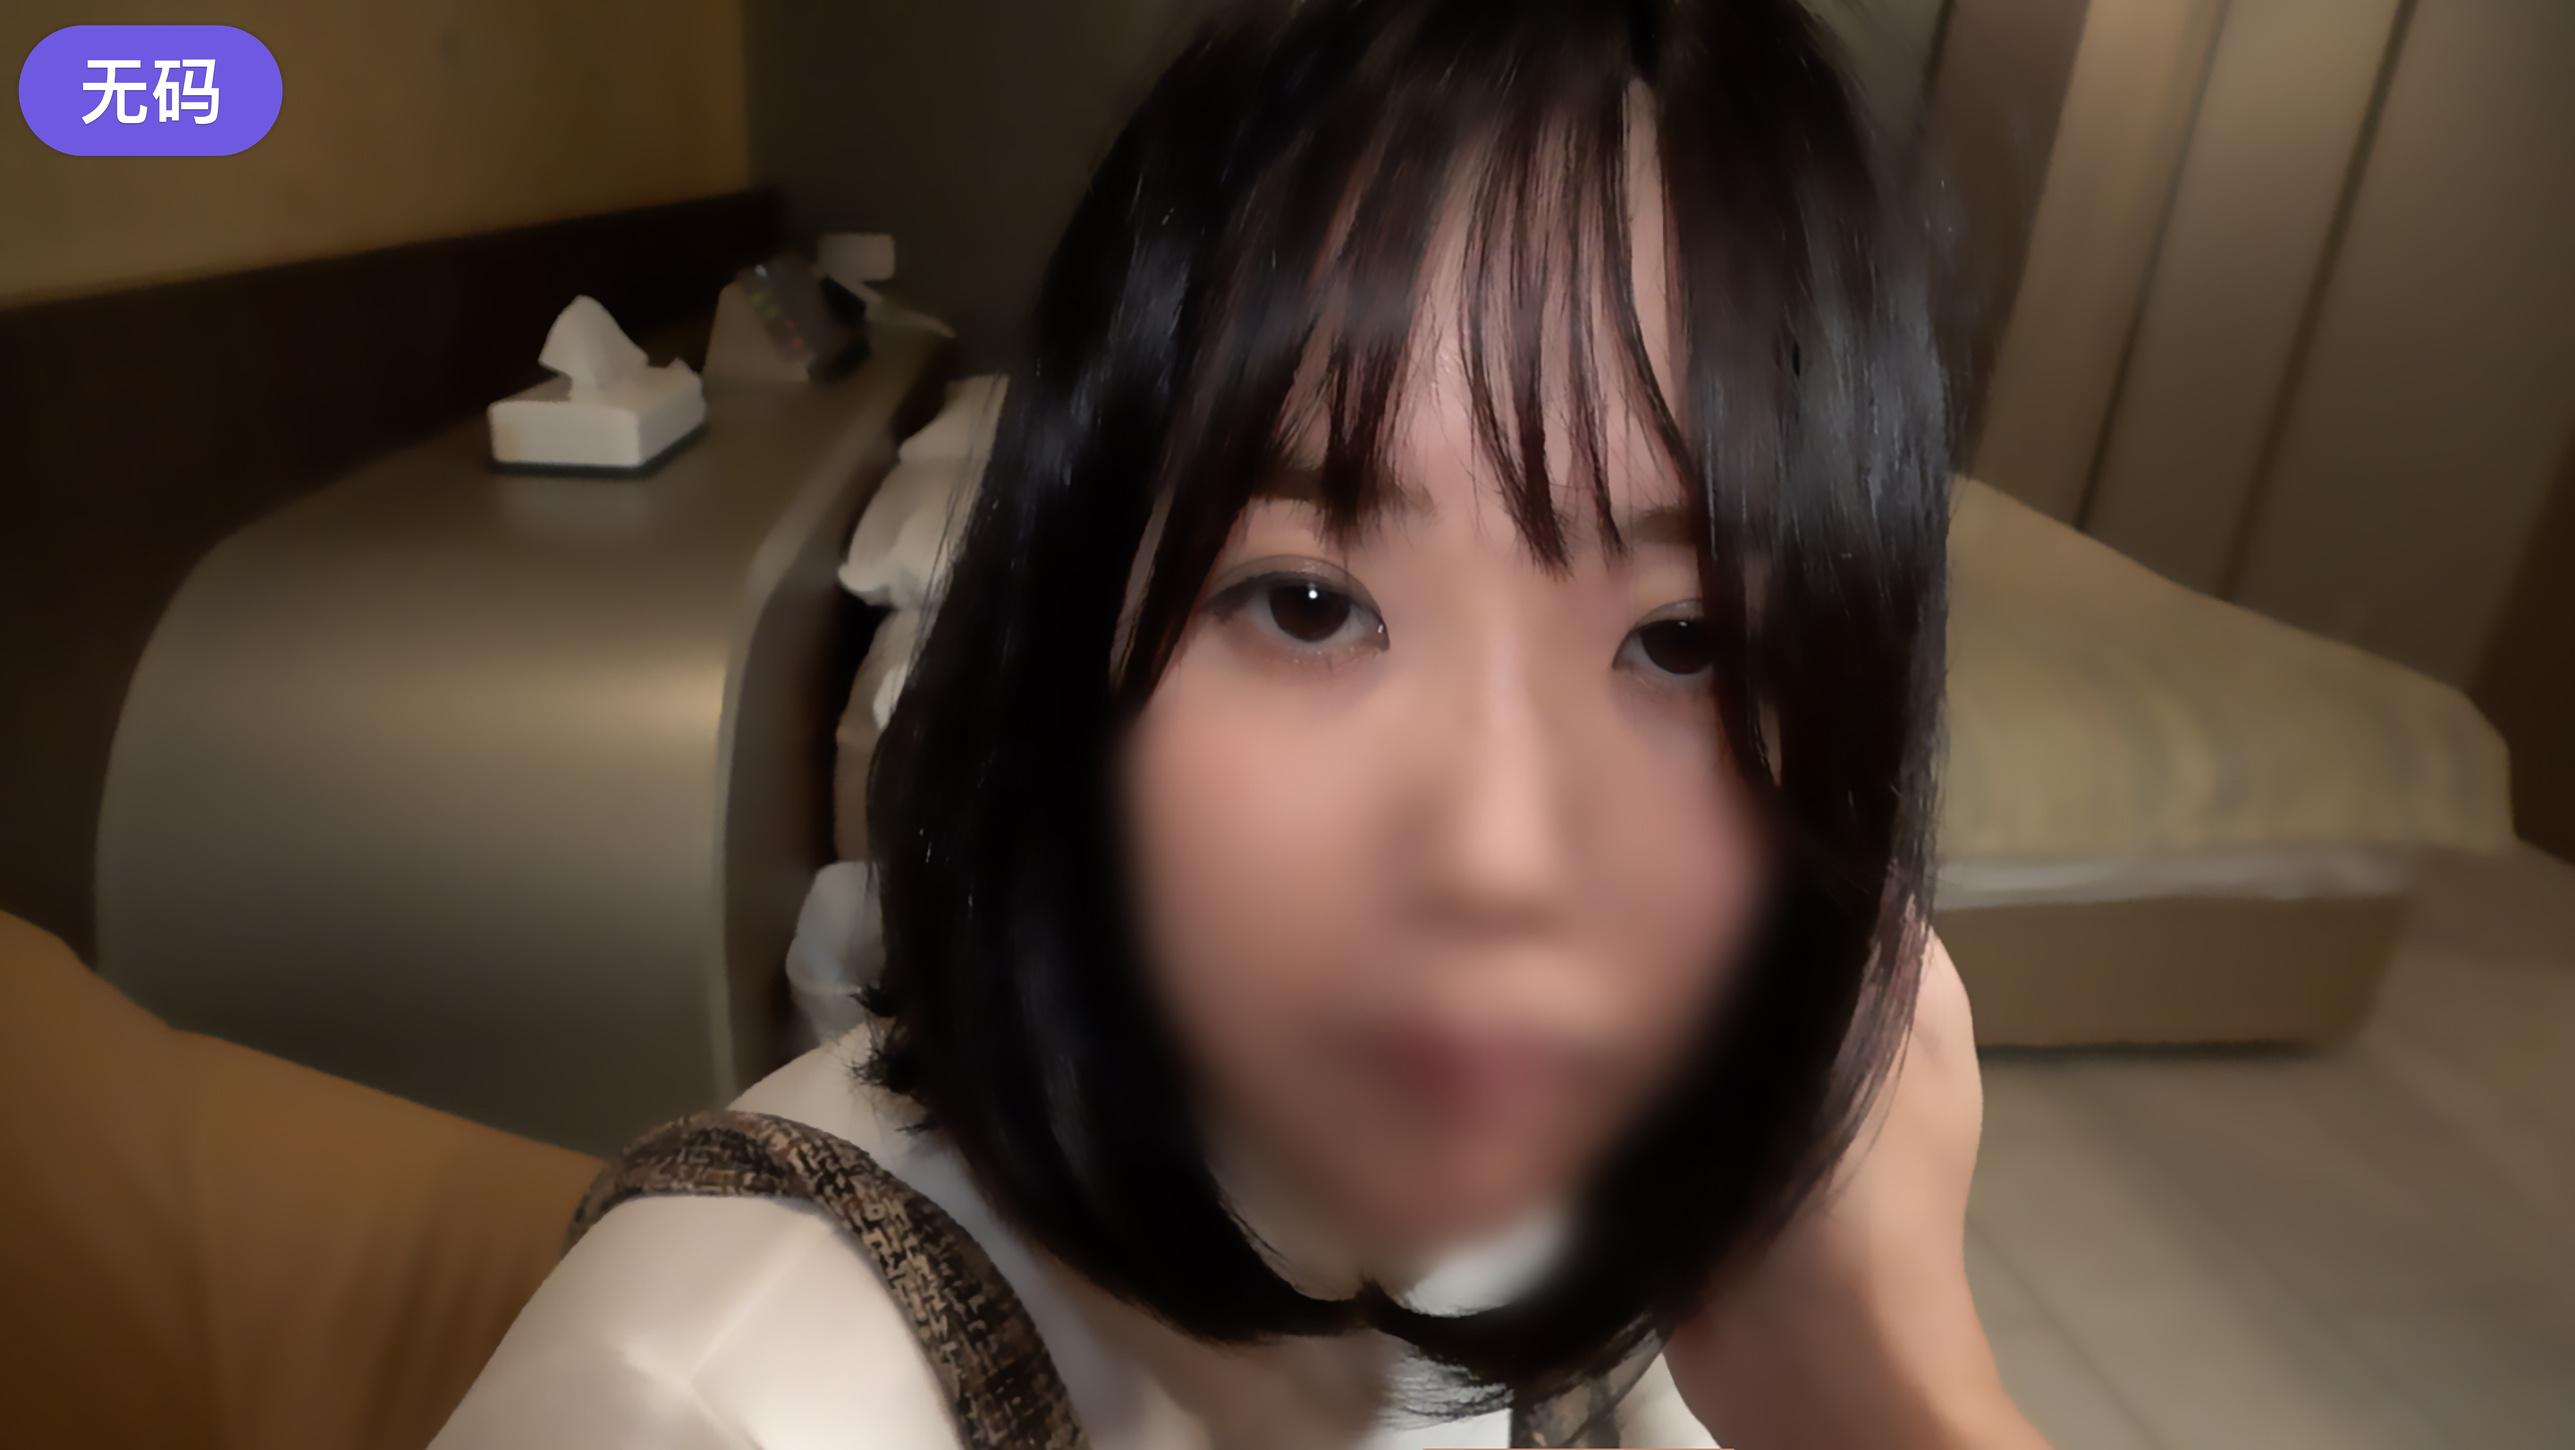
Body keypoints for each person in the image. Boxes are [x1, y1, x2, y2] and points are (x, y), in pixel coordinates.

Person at [435, 0, 2048, 1445]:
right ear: (1076, 646)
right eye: (1312, 606)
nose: (1500, 861)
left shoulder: (1631, 1190)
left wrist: (1882, 1393)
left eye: (1681, 641)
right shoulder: (716, 1403)